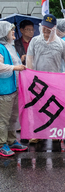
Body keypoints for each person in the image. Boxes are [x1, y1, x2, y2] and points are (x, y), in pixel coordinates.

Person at [26, 14, 65, 144]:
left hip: (55, 82)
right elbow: (30, 60)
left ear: (55, 28)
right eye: (44, 27)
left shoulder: (62, 44)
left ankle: (57, 132)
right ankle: (38, 133)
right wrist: (30, 76)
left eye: (49, 29)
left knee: (55, 107)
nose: (46, 31)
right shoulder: (34, 41)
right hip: (38, 81)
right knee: (38, 107)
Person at [0, 21, 28, 156]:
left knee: (12, 117)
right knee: (3, 119)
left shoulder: (10, 46)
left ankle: (11, 141)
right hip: (3, 90)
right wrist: (15, 68)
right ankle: (1, 143)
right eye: (10, 30)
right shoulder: (1, 47)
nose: (13, 33)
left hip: (13, 88)